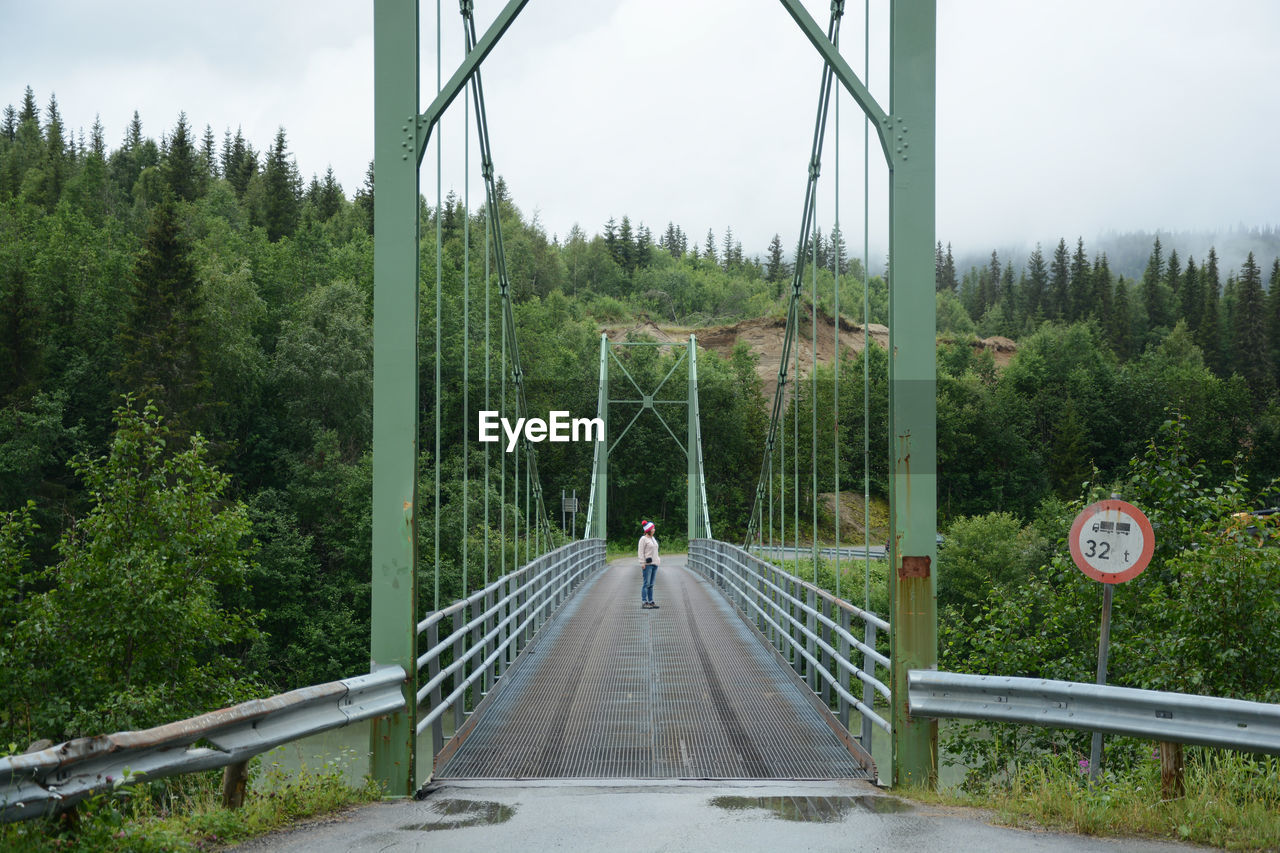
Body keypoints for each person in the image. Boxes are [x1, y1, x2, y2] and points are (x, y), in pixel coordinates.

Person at [638, 519, 660, 609]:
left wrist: (658, 560)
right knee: (646, 584)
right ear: (649, 530)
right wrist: (642, 562)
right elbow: (640, 551)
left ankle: (651, 601)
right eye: (653, 528)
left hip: (655, 564)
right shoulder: (643, 539)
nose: (654, 530)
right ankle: (644, 601)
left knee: (651, 584)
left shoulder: (653, 538)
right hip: (647, 565)